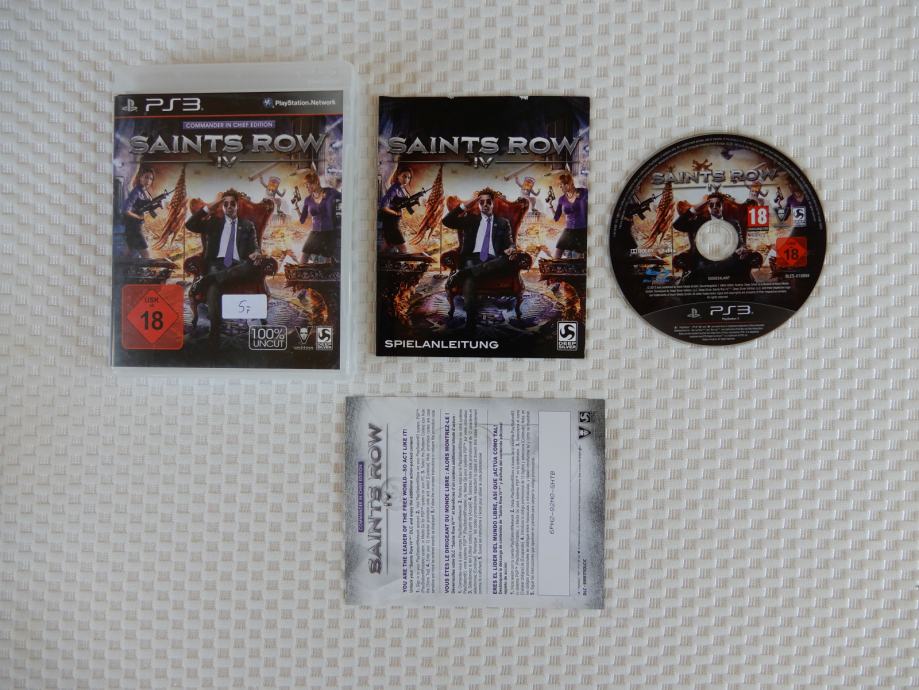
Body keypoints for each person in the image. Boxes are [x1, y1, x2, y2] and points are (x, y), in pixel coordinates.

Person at [185, 190, 261, 340]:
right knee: (214, 285)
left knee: (249, 266)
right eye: (225, 204)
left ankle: (208, 279)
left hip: (239, 266)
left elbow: (255, 248)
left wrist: (257, 253)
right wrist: (210, 207)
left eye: (232, 203)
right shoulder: (214, 223)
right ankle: (215, 331)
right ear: (222, 206)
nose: (229, 206)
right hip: (217, 264)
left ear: (237, 205)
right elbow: (190, 224)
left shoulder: (247, 225)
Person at [442, 188, 515, 333]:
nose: (485, 204)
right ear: (478, 204)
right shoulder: (471, 220)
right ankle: (471, 319)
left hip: (495, 261)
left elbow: (510, 243)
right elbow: (447, 221)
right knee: (470, 274)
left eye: (488, 202)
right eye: (482, 202)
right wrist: (466, 205)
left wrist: (511, 249)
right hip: (473, 259)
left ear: (493, 204)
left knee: (504, 260)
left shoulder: (503, 222)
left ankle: (462, 274)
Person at [672, 193, 749, 284]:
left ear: (722, 205)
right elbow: (677, 225)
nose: (714, 207)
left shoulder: (734, 223)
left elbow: (740, 243)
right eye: (711, 204)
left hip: (728, 262)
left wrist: (742, 249)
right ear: (707, 206)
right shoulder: (699, 222)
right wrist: (696, 208)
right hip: (703, 264)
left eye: (718, 204)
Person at [299, 170, 341, 263]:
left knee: (327, 261)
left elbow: (344, 197)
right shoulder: (308, 200)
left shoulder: (330, 192)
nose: (306, 187)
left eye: (308, 184)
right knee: (304, 256)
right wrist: (296, 208)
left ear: (316, 182)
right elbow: (302, 219)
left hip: (329, 232)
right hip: (315, 232)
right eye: (305, 185)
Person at [122, 166, 156, 258]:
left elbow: (148, 208)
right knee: (146, 255)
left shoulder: (145, 192)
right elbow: (125, 210)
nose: (148, 180)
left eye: (151, 179)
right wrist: (139, 217)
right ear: (140, 177)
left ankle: (121, 266)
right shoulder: (136, 191)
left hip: (137, 227)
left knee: (128, 255)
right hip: (134, 228)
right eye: (146, 177)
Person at [378, 165, 414, 254]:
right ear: (398, 176)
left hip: (393, 223)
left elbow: (402, 204)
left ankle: (379, 262)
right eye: (404, 176)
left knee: (385, 249)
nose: (406, 179)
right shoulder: (394, 189)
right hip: (391, 224)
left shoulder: (401, 189)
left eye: (408, 177)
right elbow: (383, 206)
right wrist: (395, 213)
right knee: (404, 250)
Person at [551, 172, 587, 259]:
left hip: (582, 230)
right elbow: (556, 218)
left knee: (578, 259)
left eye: (561, 185)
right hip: (568, 231)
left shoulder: (583, 192)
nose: (560, 187)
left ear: (567, 185)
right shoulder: (562, 199)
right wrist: (550, 205)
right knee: (556, 256)